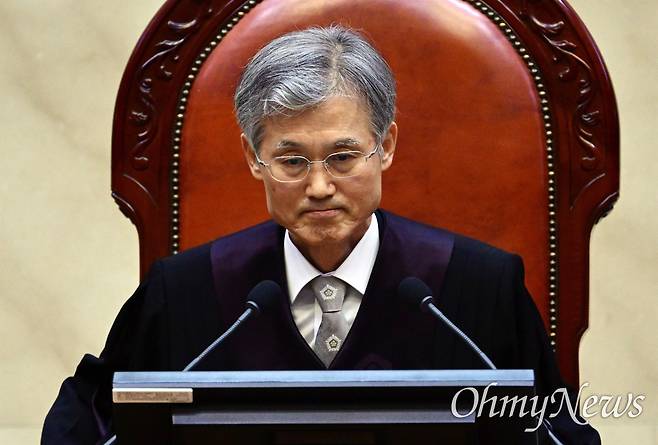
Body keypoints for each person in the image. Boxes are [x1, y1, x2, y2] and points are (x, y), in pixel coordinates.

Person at [42, 26, 600, 444]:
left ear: (386, 146)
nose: (318, 187)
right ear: (253, 158)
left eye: (343, 156)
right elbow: (93, 422)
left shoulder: (476, 288)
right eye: (291, 160)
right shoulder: (187, 291)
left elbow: (557, 431)